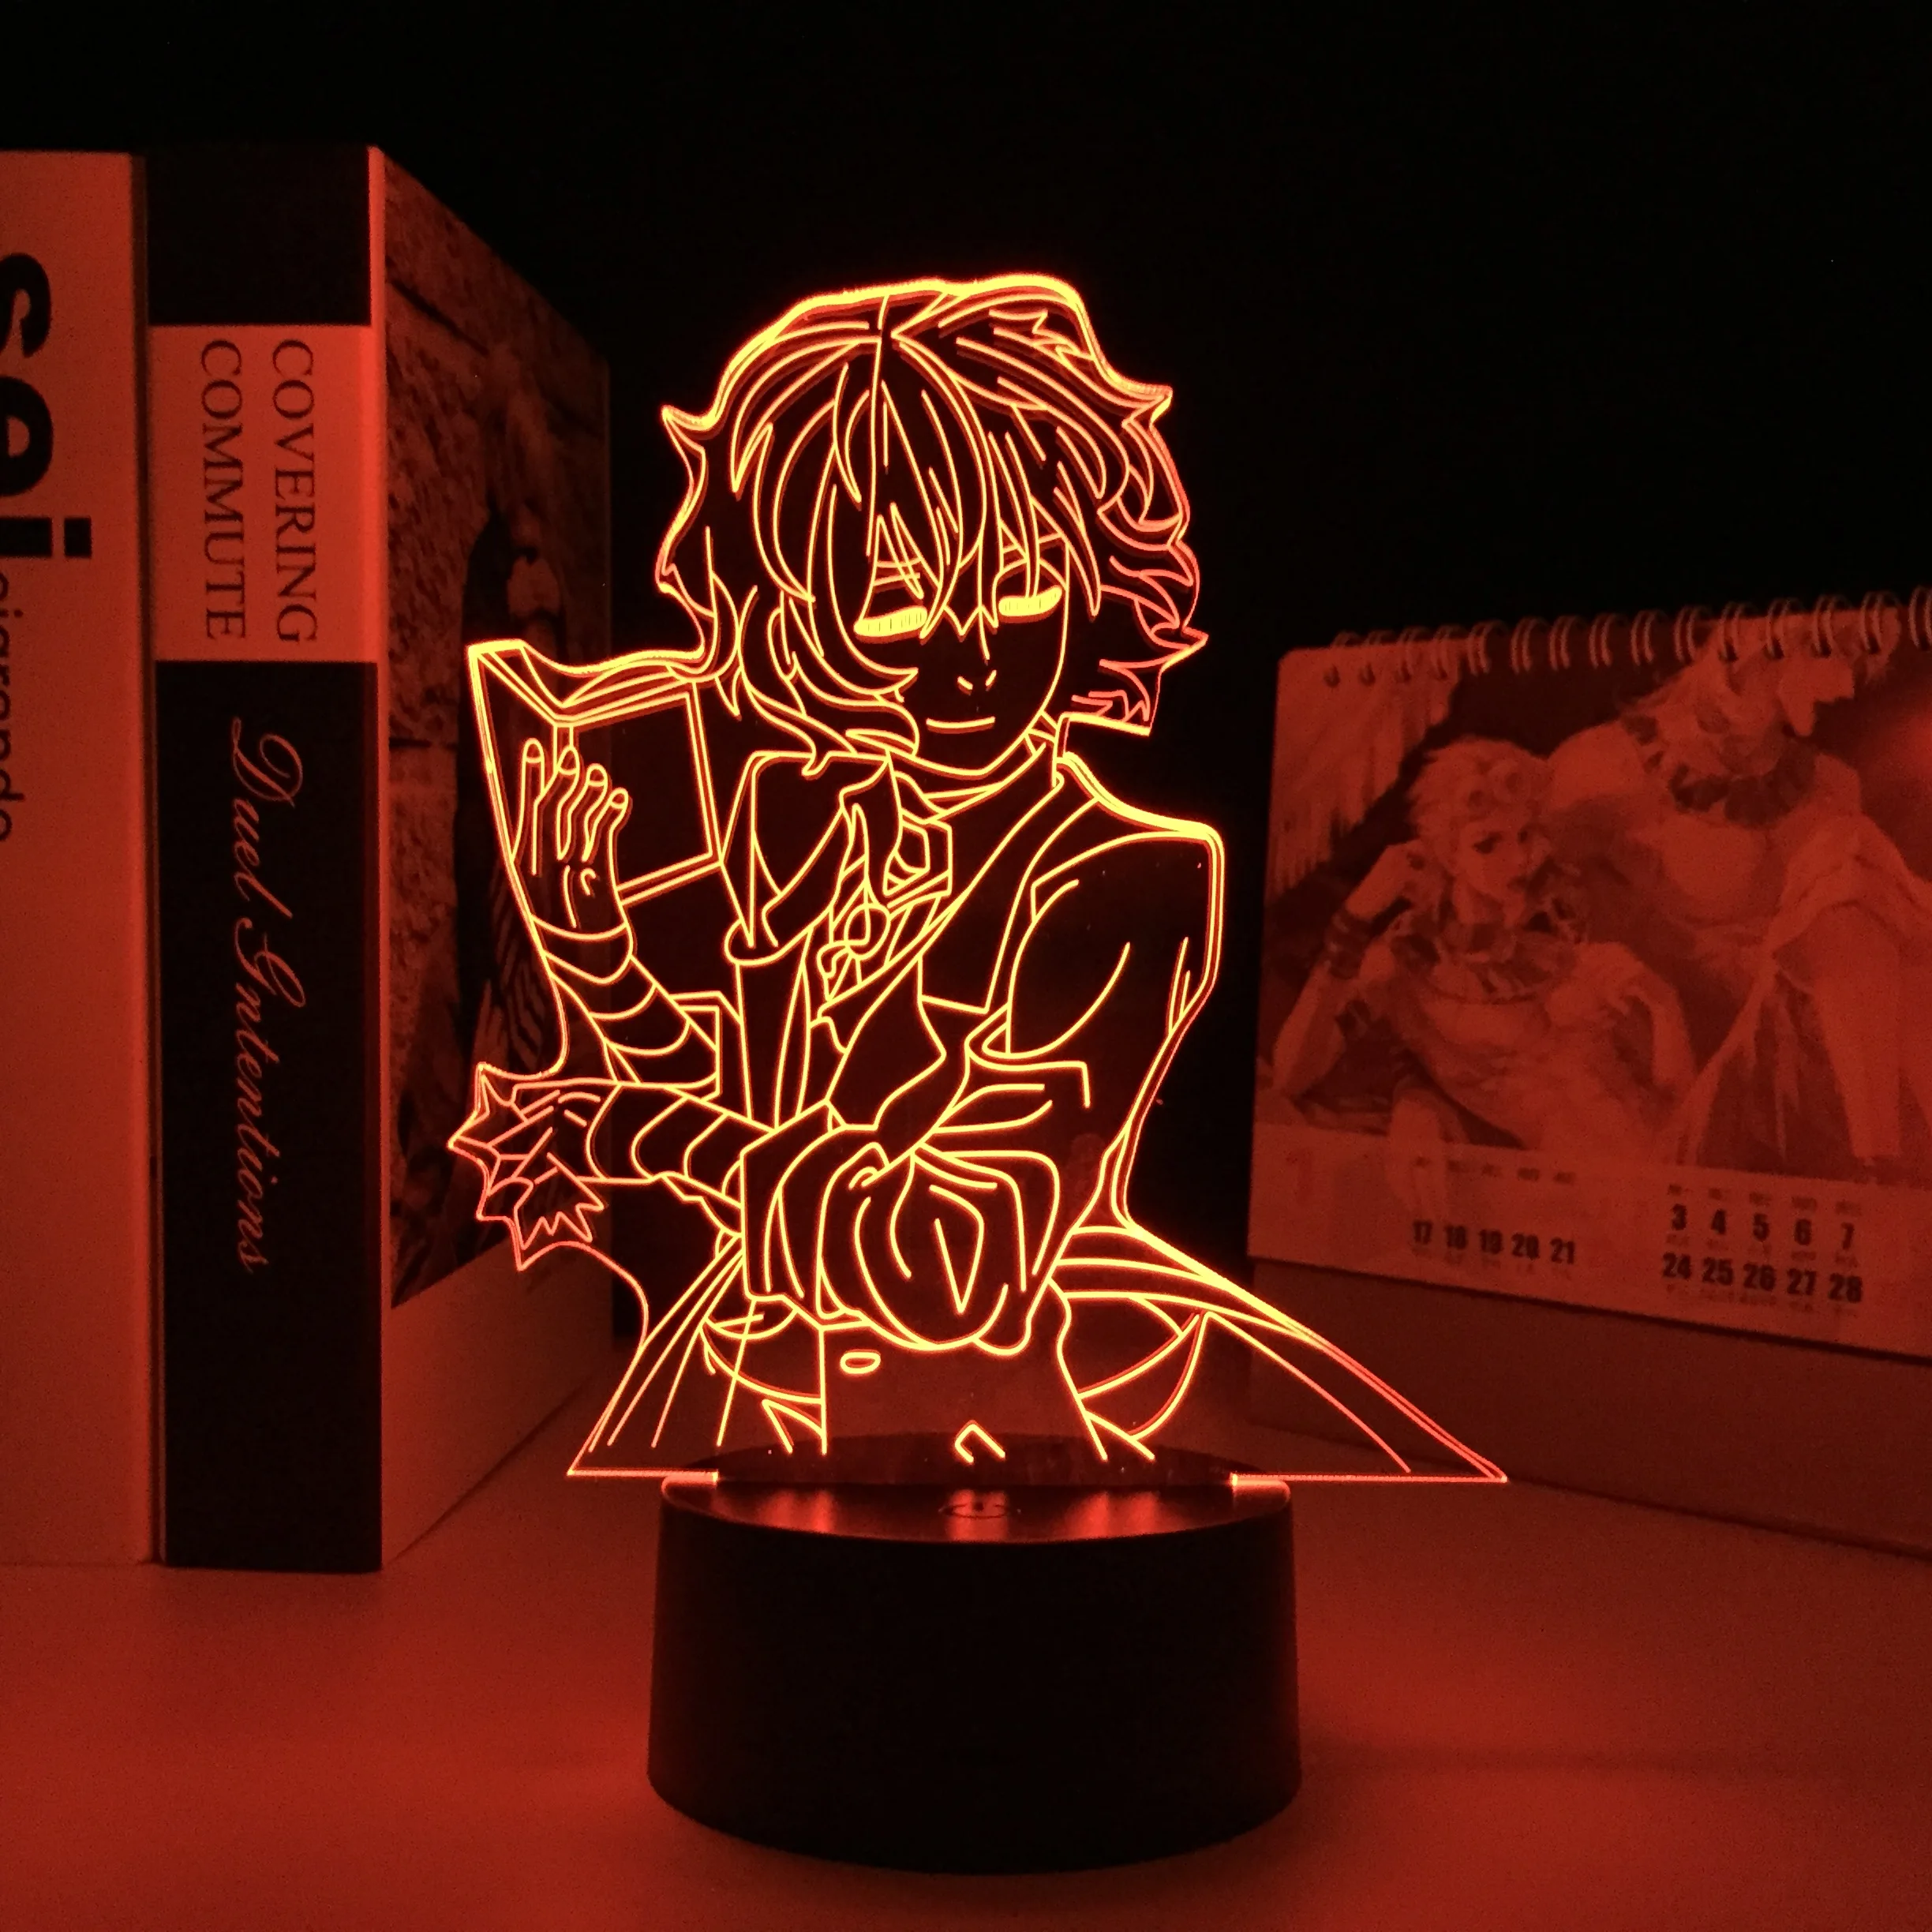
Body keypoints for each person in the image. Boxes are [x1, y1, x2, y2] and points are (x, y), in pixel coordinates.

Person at [452, 275, 1497, 1481]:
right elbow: (770, 1132)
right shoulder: (841, 837)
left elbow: (949, 1255)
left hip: (991, 1432)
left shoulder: (1129, 879)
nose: (972, 654)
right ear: (792, 620)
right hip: (778, 1420)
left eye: (1021, 584)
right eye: (896, 606)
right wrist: (603, 962)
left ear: (1094, 576)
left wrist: (642, 1129)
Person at [1548, 630, 1932, 1181]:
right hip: (1700, 1098)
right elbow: (1529, 937)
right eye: (1836, 657)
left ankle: (1881, 1158)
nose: (1848, 688)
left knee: (1864, 871)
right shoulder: (1601, 768)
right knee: (1847, 851)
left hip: (1814, 1082)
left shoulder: (1831, 785)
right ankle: (1882, 1160)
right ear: (1763, 649)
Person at [1271, 737, 1695, 1159]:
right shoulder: (1409, 959)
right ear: (1448, 856)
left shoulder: (1561, 938)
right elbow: (1291, 1075)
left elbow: (1674, 1103)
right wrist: (1355, 917)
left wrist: (1664, 1005)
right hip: (1582, 1183)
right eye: (1488, 843)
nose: (1517, 859)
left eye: (1523, 835)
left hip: (1672, 1154)